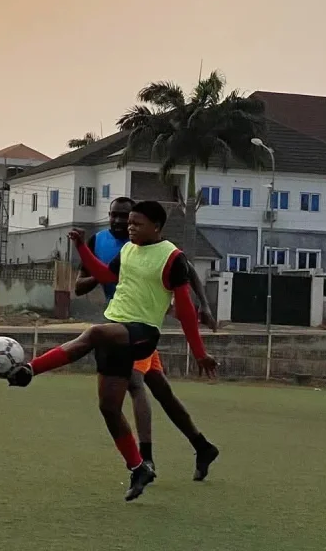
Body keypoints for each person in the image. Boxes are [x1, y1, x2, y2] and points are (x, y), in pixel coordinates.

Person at [8, 200, 218, 501]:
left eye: (137, 223)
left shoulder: (171, 257)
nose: (129, 226)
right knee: (109, 407)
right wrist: (82, 247)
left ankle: (30, 369)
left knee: (95, 337)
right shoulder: (128, 250)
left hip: (143, 333)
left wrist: (199, 352)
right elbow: (106, 276)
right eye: (128, 221)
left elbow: (185, 311)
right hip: (116, 329)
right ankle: (139, 467)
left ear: (156, 227)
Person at [75, 197, 219, 479]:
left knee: (135, 382)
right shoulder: (100, 242)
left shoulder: (156, 246)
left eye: (126, 217)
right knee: (162, 392)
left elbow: (188, 274)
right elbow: (79, 286)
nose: (120, 222)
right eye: (114, 216)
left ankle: (146, 459)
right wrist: (105, 275)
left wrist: (204, 306)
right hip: (120, 324)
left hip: (140, 327)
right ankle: (202, 446)